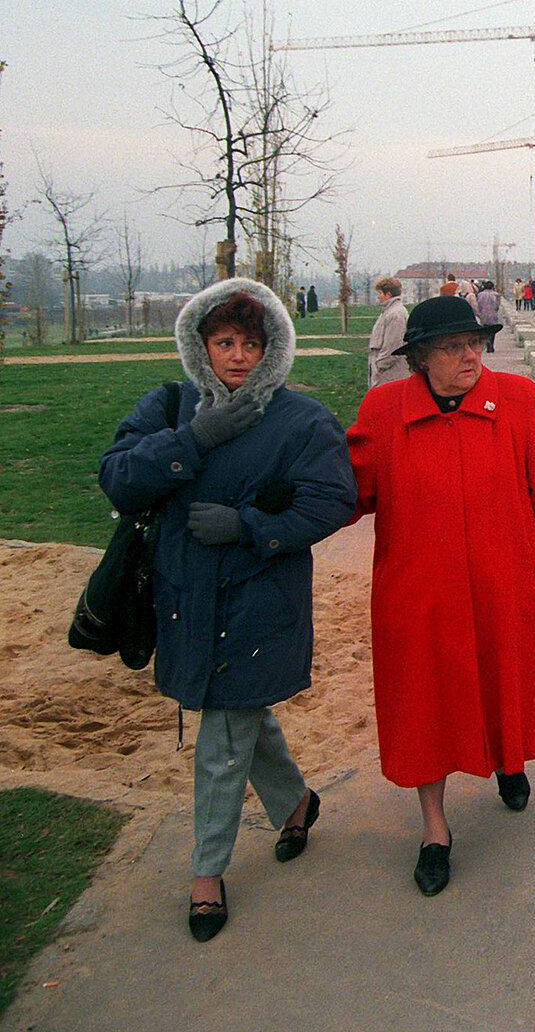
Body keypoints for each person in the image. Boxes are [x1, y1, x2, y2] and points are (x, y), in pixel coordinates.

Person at [98, 277, 356, 941]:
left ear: (271, 349)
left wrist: (250, 527)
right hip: (183, 597)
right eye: (224, 341)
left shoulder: (302, 420)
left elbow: (331, 500)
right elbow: (119, 479)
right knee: (237, 710)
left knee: (220, 738)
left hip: (259, 604)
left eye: (251, 342)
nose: (238, 355)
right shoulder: (170, 405)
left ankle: (206, 873)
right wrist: (195, 439)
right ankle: (296, 804)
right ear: (200, 345)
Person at [345, 295, 535, 896]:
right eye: (452, 347)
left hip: (505, 588)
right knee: (426, 708)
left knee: (503, 679)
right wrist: (274, 511)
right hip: (418, 601)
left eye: (475, 343)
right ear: (420, 357)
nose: (469, 355)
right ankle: (434, 832)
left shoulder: (520, 401)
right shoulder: (382, 411)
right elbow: (345, 493)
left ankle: (510, 761)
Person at [367, 277, 409, 388]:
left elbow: (393, 345)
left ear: (388, 294)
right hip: (385, 372)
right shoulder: (389, 312)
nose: (378, 296)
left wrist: (380, 365)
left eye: (380, 293)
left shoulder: (396, 314)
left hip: (391, 373)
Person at [473, 280, 502, 351]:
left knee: (486, 330)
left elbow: (478, 305)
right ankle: (491, 345)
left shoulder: (480, 294)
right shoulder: (496, 295)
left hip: (483, 315)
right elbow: (497, 306)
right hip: (493, 314)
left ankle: (487, 343)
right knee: (492, 330)